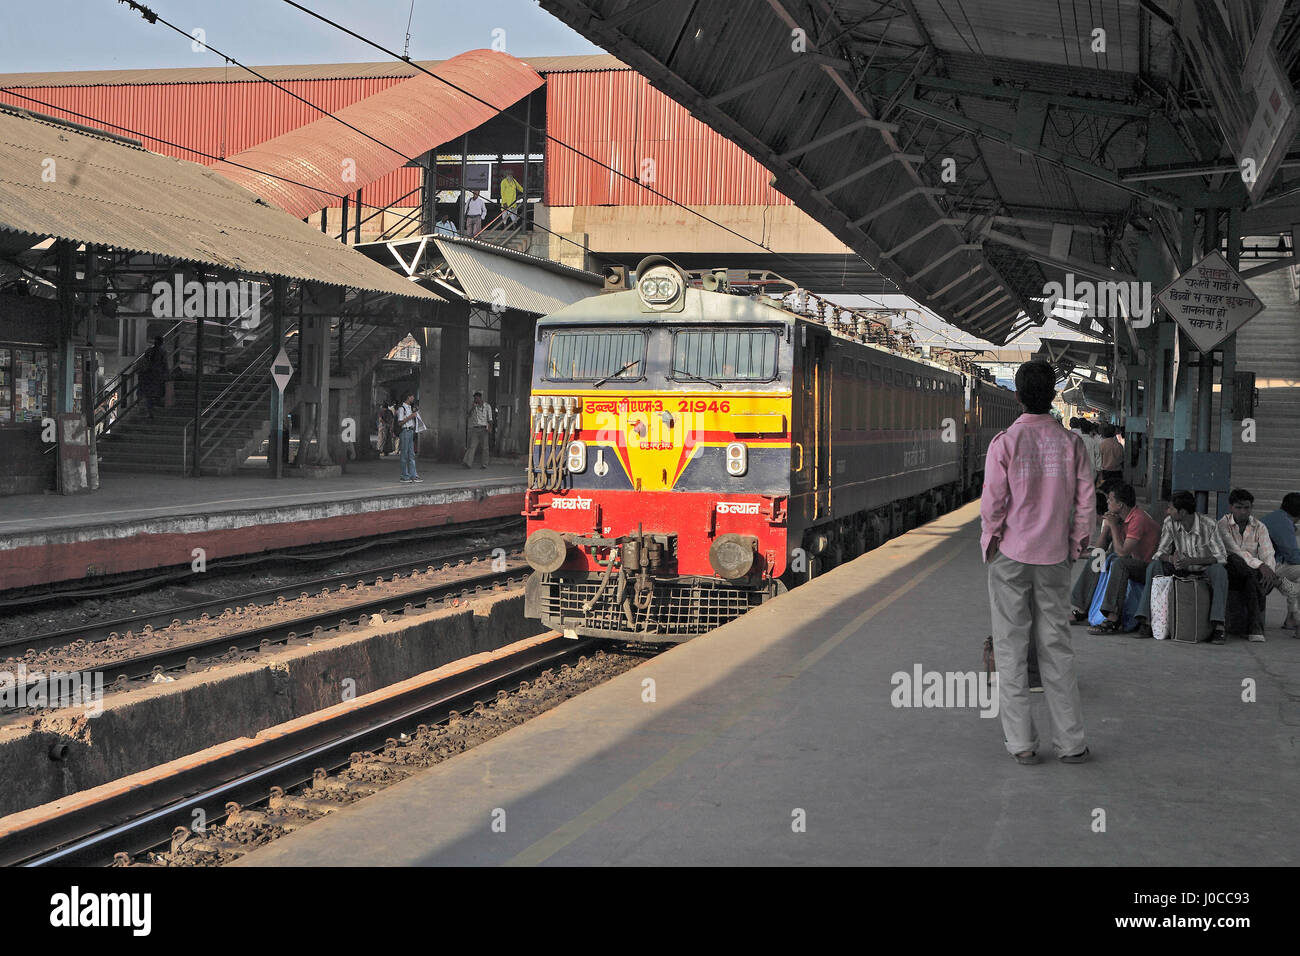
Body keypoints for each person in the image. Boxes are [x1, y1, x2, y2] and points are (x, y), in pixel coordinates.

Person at [981, 360, 1093, 766]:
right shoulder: (1072, 444)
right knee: (1056, 648)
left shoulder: (1005, 443)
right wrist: (1076, 545)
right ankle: (1072, 744)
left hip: (1010, 557)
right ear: (1053, 395)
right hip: (1054, 558)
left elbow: (993, 504)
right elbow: (1085, 503)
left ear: (1017, 396)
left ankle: (1022, 745)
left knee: (1011, 651)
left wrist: (990, 544)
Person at [1134, 490, 1229, 642]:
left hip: (1203, 571)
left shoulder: (1209, 525)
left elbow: (1221, 557)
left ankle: (1218, 626)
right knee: (1154, 566)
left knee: (1220, 571)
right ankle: (1146, 621)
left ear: (1183, 512)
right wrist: (1171, 558)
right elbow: (1160, 553)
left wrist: (1192, 561)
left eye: (1171, 508)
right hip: (1179, 568)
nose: (1167, 511)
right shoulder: (1169, 523)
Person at [1082, 483, 1161, 634]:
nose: (1107, 503)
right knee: (1099, 558)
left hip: (1149, 568)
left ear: (1120, 504)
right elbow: (1099, 549)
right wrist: (1107, 528)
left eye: (1110, 500)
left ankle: (1112, 618)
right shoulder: (1119, 518)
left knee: (1120, 563)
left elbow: (1123, 553)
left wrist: (1113, 527)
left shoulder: (1138, 519)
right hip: (1134, 562)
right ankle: (1081, 607)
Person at [1217, 488, 1278, 642]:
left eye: (1247, 508)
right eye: (1239, 507)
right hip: (1231, 571)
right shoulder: (1222, 525)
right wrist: (1261, 566)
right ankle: (1255, 627)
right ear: (1231, 508)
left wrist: (1269, 569)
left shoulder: (1260, 526)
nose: (1243, 512)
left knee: (1252, 578)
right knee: (1236, 560)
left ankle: (1254, 627)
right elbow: (1235, 551)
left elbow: (1268, 552)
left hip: (1252, 574)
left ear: (1251, 507)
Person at [1261, 493, 1300, 634]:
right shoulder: (1283, 522)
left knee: (1295, 583)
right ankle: (1295, 619)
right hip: (1265, 570)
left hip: (1266, 566)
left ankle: (1292, 618)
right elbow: (1293, 557)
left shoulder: (1277, 517)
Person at [138, 335, 169, 420]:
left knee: (149, 395)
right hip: (158, 375)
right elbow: (164, 364)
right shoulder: (162, 352)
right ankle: (155, 410)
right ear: (162, 343)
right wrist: (167, 374)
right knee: (158, 393)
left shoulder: (149, 351)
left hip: (148, 375)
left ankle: (150, 412)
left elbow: (145, 361)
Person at [395, 391, 422, 483]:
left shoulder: (410, 408)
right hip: (405, 431)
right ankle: (404, 475)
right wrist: (411, 416)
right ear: (408, 397)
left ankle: (413, 475)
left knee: (411, 454)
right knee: (404, 454)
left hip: (410, 431)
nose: (413, 398)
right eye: (412, 396)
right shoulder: (402, 408)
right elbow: (400, 422)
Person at [463, 391, 493, 469]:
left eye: (476, 398)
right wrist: (472, 408)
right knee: (472, 446)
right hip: (475, 429)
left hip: (484, 428)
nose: (475, 399)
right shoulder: (473, 407)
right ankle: (468, 463)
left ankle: (484, 464)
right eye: (474, 398)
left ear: (480, 398)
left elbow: (490, 418)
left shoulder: (487, 406)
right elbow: (468, 415)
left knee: (485, 447)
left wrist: (490, 427)